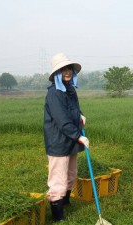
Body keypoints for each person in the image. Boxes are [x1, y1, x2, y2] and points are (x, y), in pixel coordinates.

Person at [43, 52, 89, 222]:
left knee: (71, 173)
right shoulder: (54, 93)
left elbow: (73, 110)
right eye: (63, 70)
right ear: (56, 73)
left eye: (68, 68)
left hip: (70, 140)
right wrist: (79, 136)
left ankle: (66, 202)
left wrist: (80, 115)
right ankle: (57, 215)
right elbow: (62, 120)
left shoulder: (69, 90)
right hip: (58, 142)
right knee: (58, 179)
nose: (67, 72)